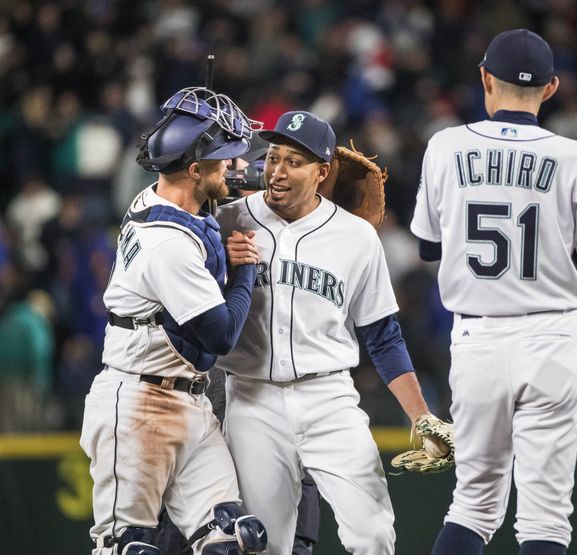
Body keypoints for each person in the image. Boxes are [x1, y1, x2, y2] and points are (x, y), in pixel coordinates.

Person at [411, 30, 577, 554]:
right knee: (546, 517)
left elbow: (428, 248)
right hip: (552, 337)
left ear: (485, 77)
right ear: (551, 88)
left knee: (473, 503)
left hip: (478, 341)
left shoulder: (446, 144)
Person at [215, 110, 439, 555]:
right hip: (251, 400)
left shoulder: (356, 236)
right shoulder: (228, 221)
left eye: (294, 161)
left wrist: (421, 416)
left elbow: (383, 335)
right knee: (264, 546)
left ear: (322, 172)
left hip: (329, 400)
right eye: (274, 157)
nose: (278, 171)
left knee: (374, 534)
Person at [79, 87, 268, 555]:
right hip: (138, 405)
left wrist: (279, 176)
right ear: (195, 167)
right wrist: (243, 271)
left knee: (234, 539)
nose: (232, 167)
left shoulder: (165, 194)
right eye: (223, 159)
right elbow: (221, 335)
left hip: (189, 402)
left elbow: (216, 187)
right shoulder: (168, 245)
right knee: (130, 547)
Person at [156, 136, 322, 555]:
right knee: (189, 529)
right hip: (211, 392)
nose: (247, 183)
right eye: (236, 175)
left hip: (281, 398)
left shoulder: (305, 234)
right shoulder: (201, 230)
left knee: (284, 529)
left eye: (252, 175)